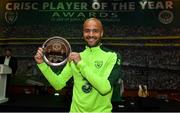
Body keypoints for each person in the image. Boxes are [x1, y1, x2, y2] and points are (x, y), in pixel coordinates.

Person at [34, 18, 122, 112]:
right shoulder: (75, 57)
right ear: (83, 33)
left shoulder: (112, 56)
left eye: (95, 31)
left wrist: (80, 64)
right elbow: (58, 84)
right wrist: (42, 64)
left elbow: (104, 88)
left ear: (101, 33)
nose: (91, 34)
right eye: (87, 31)